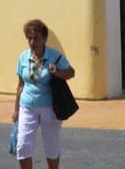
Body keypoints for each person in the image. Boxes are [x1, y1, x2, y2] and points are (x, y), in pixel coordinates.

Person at [13, 19, 75, 169]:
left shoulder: (55, 56)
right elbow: (21, 85)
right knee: (22, 146)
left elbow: (71, 72)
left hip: (50, 108)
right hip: (27, 107)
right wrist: (16, 110)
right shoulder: (23, 57)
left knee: (51, 148)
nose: (32, 42)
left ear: (44, 38)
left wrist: (57, 72)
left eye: (36, 38)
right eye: (29, 38)